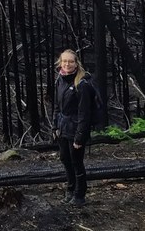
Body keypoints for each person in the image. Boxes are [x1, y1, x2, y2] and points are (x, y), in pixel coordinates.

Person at [52, 49, 92, 207]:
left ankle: (79, 195)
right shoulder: (60, 80)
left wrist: (80, 136)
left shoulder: (82, 84)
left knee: (76, 162)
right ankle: (70, 191)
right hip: (62, 128)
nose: (67, 64)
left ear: (76, 63)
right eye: (64, 61)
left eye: (71, 61)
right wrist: (55, 127)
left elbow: (85, 113)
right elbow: (57, 106)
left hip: (76, 128)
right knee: (65, 160)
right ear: (60, 63)